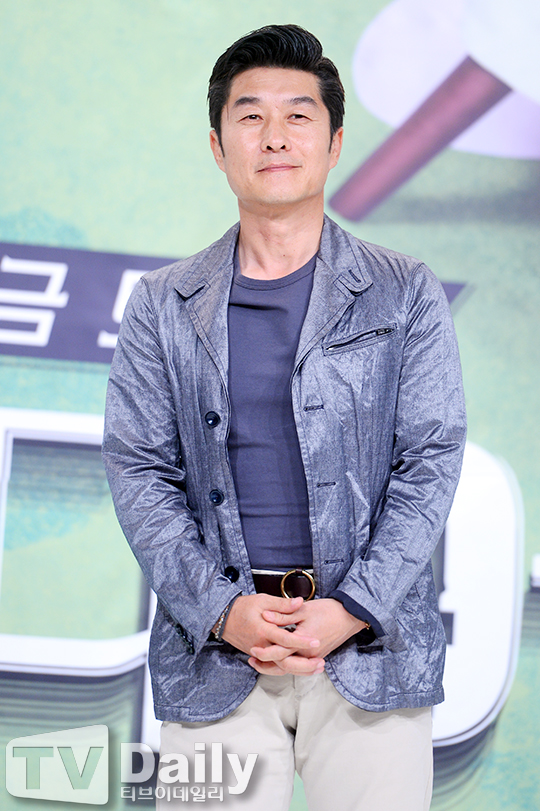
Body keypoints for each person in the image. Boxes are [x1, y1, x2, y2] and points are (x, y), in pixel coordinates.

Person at [102, 24, 466, 811]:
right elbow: (139, 471)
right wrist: (221, 609)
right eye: (251, 116)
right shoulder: (163, 305)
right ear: (217, 145)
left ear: (334, 144)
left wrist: (352, 607)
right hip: (216, 656)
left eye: (298, 115)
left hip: (370, 652)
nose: (274, 136)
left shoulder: (404, 291)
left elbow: (431, 460)